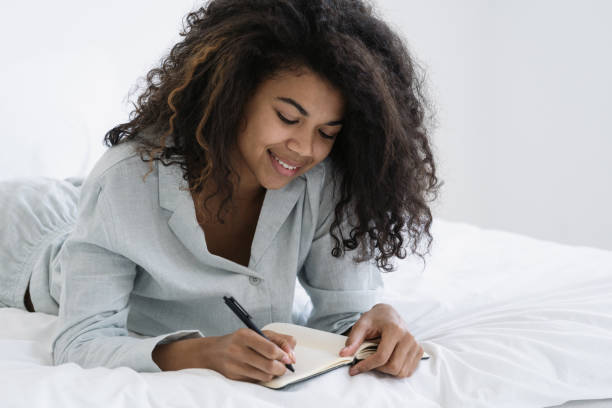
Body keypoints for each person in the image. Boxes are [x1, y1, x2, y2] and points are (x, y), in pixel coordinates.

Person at [0, 0, 441, 383]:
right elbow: (81, 340)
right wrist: (204, 353)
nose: (305, 148)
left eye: (326, 132)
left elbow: (342, 318)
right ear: (235, 91)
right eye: (288, 118)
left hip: (87, 205)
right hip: (26, 241)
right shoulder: (127, 177)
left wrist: (376, 322)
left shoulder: (325, 180)